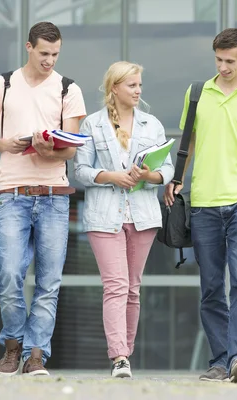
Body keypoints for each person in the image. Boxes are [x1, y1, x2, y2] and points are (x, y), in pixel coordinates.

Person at [163, 28, 237, 383]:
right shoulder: (198, 93)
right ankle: (219, 360)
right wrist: (178, 177)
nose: (223, 67)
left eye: (230, 61)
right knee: (211, 286)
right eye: (218, 60)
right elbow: (191, 140)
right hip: (203, 204)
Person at [0, 21, 86, 376]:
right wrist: (7, 144)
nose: (49, 60)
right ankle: (12, 344)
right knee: (10, 274)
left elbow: (70, 152)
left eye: (55, 54)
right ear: (28, 47)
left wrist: (48, 149)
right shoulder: (2, 84)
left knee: (48, 282)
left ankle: (35, 355)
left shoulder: (69, 88)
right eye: (43, 53)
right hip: (13, 194)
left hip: (55, 197)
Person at [74, 61, 174, 378]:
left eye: (140, 85)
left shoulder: (151, 125)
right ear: (114, 87)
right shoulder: (92, 125)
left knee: (133, 289)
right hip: (104, 216)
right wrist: (112, 176)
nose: (138, 90)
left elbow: (168, 169)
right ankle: (119, 357)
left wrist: (151, 174)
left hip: (143, 215)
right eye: (132, 85)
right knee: (116, 286)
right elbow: (79, 172)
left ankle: (125, 355)